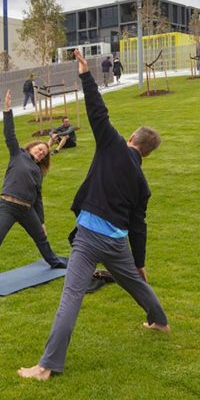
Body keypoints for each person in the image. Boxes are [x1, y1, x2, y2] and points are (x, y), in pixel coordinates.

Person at [18, 49, 169, 382]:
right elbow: (139, 226)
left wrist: (85, 73)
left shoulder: (113, 145)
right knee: (135, 283)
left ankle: (45, 367)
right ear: (147, 151)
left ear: (132, 139)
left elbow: (97, 111)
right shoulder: (142, 183)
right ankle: (160, 321)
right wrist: (139, 261)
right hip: (117, 244)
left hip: (88, 239)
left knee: (71, 295)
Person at [0, 90, 67, 292]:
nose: (41, 152)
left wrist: (42, 222)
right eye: (39, 149)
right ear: (30, 148)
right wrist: (7, 110)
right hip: (8, 206)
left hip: (27, 209)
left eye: (44, 153)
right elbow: (9, 133)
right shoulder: (17, 154)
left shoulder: (38, 172)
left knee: (41, 238)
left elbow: (38, 198)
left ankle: (54, 262)